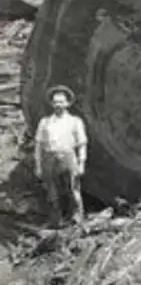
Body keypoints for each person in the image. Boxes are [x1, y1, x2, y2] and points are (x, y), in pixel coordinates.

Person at [34, 85, 88, 228]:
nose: (59, 105)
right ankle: (56, 221)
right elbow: (38, 145)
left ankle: (77, 219)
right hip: (50, 158)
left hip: (68, 157)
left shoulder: (75, 121)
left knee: (73, 189)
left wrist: (81, 163)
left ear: (68, 103)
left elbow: (82, 143)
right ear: (51, 104)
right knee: (52, 191)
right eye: (56, 102)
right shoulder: (45, 122)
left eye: (61, 102)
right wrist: (38, 165)